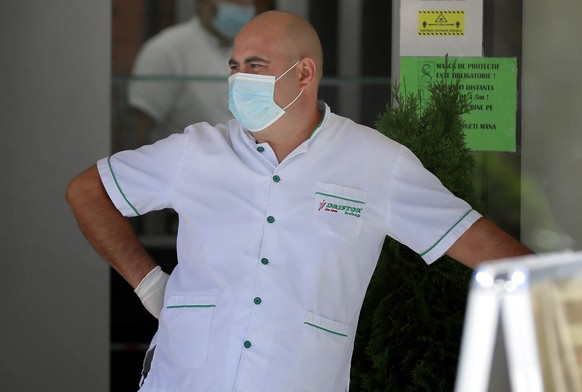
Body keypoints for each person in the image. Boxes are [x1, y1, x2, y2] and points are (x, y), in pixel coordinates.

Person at [67, 11, 532, 391]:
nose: (237, 79)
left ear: (304, 73)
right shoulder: (196, 151)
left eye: (254, 66)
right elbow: (88, 191)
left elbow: (483, 248)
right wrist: (149, 285)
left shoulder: (376, 162)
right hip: (183, 381)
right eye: (233, 67)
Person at [129, 0, 273, 147]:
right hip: (186, 162)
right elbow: (137, 127)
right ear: (204, 4)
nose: (242, 8)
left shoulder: (257, 48)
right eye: (234, 1)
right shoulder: (166, 49)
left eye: (247, 3)